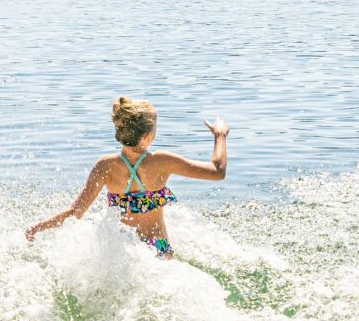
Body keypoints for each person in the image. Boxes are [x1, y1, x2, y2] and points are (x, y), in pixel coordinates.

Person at [25, 96, 227, 256]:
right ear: (148, 136)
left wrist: (38, 226)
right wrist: (220, 136)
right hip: (158, 247)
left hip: (123, 252)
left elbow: (75, 212)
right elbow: (217, 171)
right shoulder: (162, 162)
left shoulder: (105, 166)